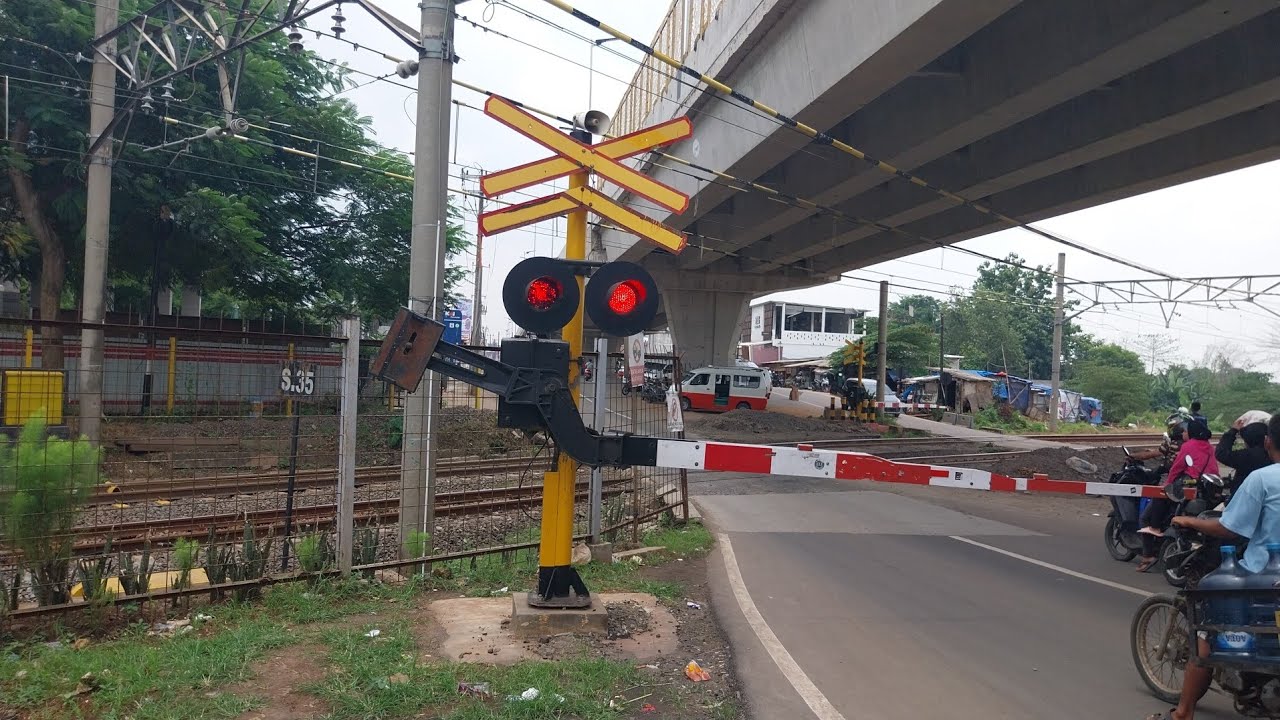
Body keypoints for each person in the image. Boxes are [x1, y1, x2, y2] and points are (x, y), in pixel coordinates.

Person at [1144, 412, 1280, 720]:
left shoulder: (1263, 478)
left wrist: (1188, 519)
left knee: (1206, 638)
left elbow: (1230, 528)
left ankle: (1183, 712)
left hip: (1262, 577)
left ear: (1269, 441)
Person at [1135, 419, 1218, 572]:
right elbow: (1214, 469)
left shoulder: (1188, 446)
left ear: (1192, 432)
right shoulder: (1210, 448)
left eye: (1186, 431)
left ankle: (1148, 553)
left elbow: (1176, 468)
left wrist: (1166, 484)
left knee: (1146, 516)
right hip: (1204, 489)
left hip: (1185, 485)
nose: (1183, 432)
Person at [1216, 412, 1272, 492]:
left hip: (1243, 499)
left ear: (1247, 440)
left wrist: (1233, 431)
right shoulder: (1273, 455)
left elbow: (1221, 453)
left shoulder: (1245, 456)